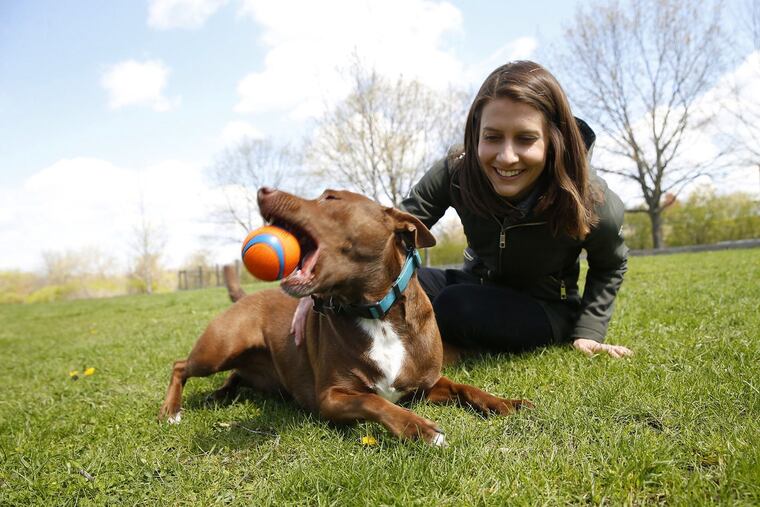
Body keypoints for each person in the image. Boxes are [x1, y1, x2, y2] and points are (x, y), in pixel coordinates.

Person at [398, 60, 632, 358]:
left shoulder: (591, 197)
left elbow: (609, 264)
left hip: (544, 307)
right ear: (476, 133)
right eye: (492, 137)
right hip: (475, 283)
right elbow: (396, 231)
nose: (507, 157)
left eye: (525, 139)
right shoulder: (456, 172)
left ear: (553, 140)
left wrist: (588, 331)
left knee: (454, 306)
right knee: (402, 289)